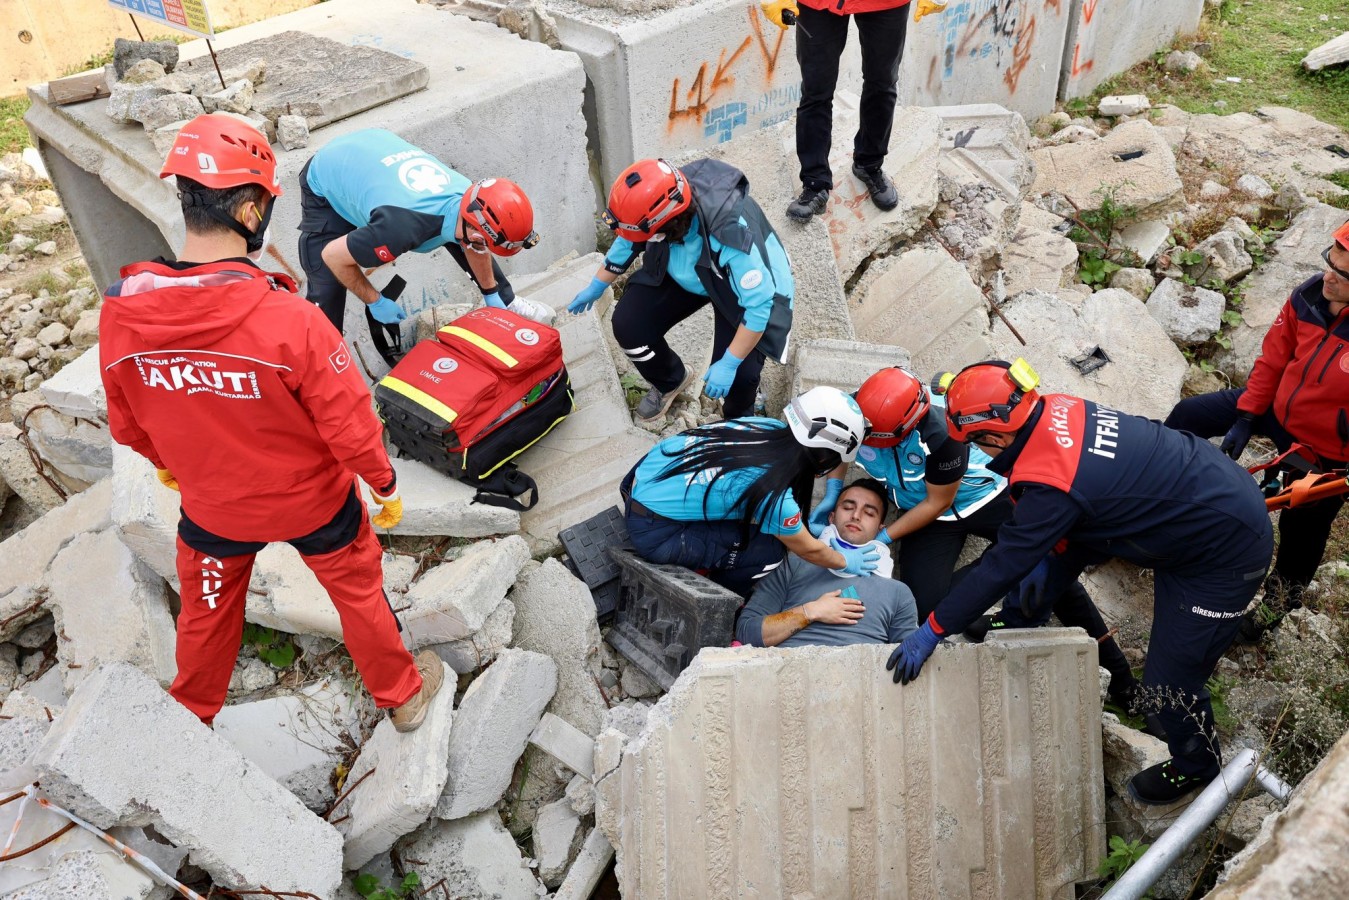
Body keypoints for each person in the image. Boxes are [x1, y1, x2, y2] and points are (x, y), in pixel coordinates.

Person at [99, 114, 443, 732]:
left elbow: (127, 424)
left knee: (205, 616)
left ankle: (189, 722)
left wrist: (171, 468)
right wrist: (383, 484)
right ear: (253, 212)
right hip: (314, 505)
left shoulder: (123, 316)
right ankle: (403, 697)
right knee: (359, 597)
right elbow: (349, 423)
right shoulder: (292, 319)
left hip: (213, 511)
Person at [886, 359, 1273, 805]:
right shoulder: (1056, 407)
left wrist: (932, 629)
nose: (980, 454)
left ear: (995, 436)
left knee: (1171, 682)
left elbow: (1002, 564)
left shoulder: (1052, 483)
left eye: (978, 444)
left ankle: (1198, 766)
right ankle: (1017, 623)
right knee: (1046, 565)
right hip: (1175, 503)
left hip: (1222, 551)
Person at [811, 367, 1143, 708]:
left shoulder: (941, 435)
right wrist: (833, 488)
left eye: (880, 438)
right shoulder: (861, 409)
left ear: (906, 426)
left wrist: (883, 536)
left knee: (1048, 564)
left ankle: (1121, 677)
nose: (871, 442)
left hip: (981, 497)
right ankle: (1012, 575)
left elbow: (937, 500)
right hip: (928, 515)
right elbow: (842, 444)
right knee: (927, 610)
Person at [1164, 218, 1349, 641]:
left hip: (1330, 452)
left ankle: (1274, 611)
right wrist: (1247, 416)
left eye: (1341, 274)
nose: (1327, 277)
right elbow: (1273, 358)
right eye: (1329, 262)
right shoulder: (1308, 297)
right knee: (1189, 416)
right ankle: (1163, 500)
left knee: (1302, 535)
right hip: (1278, 411)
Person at [299, 128, 551, 366]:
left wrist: (492, 294)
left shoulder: (470, 197)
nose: (483, 247)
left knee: (459, 234)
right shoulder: (400, 226)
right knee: (327, 288)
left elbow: (472, 244)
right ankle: (323, 367)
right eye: (483, 242)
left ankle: (506, 303)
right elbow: (333, 256)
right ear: (475, 228)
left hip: (374, 149)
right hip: (328, 174)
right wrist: (375, 301)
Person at [567, 158, 794, 422]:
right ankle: (670, 380)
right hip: (688, 268)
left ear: (667, 224)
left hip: (737, 286)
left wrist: (730, 362)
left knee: (740, 377)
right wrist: (597, 284)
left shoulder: (732, 235)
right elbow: (630, 238)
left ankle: (738, 423)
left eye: (649, 236)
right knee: (629, 326)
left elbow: (758, 307)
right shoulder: (664, 201)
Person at [620, 387, 878, 596]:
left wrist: (827, 498)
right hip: (655, 531)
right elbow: (809, 550)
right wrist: (844, 560)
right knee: (771, 551)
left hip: (640, 478)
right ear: (823, 457)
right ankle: (719, 595)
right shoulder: (775, 496)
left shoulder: (766, 427)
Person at [760, 0, 911, 220]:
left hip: (887, 4)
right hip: (818, 4)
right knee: (815, 91)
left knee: (882, 84)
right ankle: (814, 183)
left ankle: (869, 164)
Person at [736, 478, 918, 648]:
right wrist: (810, 612)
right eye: (847, 507)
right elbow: (746, 632)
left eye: (869, 513)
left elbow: (910, 656)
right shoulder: (794, 564)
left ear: (880, 529)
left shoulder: (898, 592)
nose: (856, 515)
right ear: (831, 518)